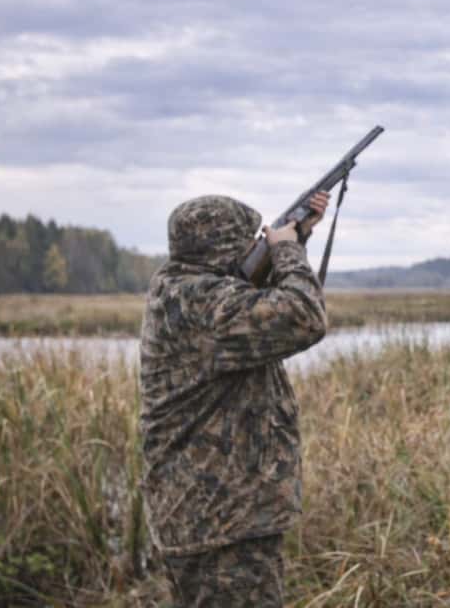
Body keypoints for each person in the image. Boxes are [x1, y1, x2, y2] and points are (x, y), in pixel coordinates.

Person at [140, 190, 331, 607]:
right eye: (251, 241)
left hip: (205, 517)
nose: (257, 243)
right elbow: (303, 315)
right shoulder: (206, 305)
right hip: (221, 524)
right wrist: (287, 254)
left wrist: (297, 237)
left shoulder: (176, 287)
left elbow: (249, 295)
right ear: (223, 250)